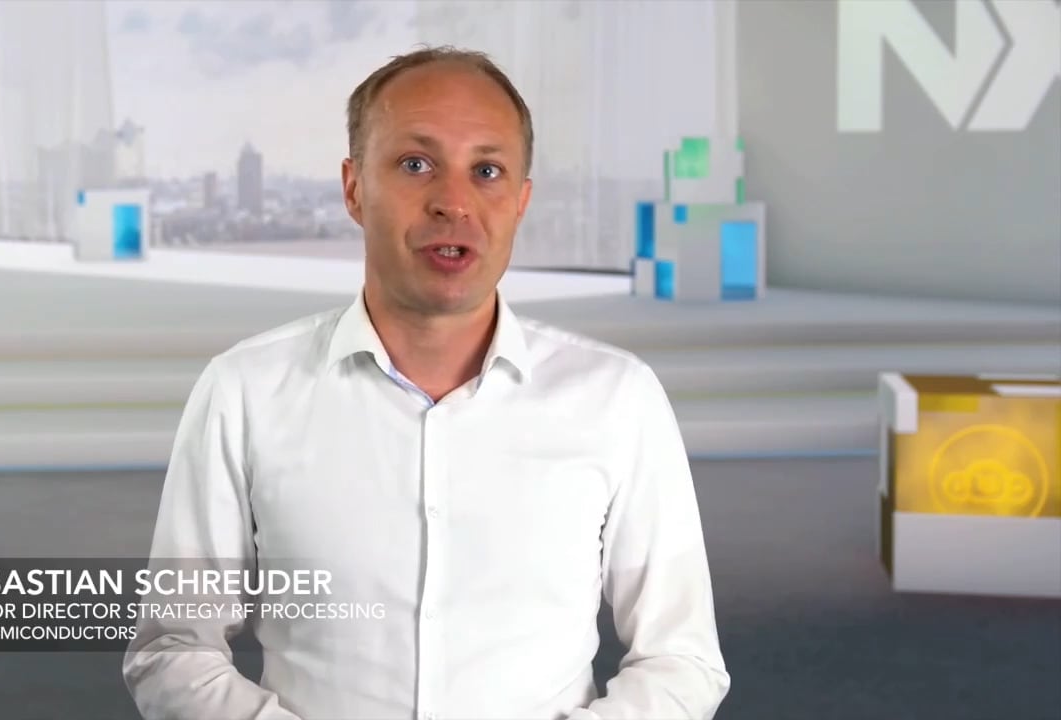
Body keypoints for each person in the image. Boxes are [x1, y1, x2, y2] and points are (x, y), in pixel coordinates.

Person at [122, 45, 730, 720]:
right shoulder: (245, 392)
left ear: (521, 201)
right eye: (416, 164)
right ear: (354, 188)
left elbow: (683, 660)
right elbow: (173, 648)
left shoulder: (617, 399)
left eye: (487, 171)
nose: (453, 202)